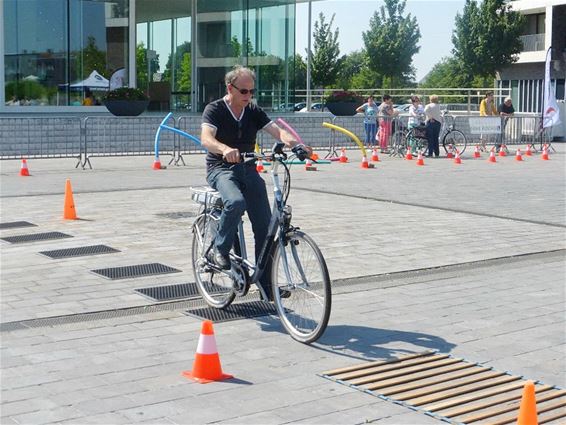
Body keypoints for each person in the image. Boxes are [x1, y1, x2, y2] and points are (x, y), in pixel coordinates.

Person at [200, 65, 312, 300]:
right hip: (220, 169)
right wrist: (225, 149)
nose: (249, 96)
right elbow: (206, 138)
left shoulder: (253, 110)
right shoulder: (215, 109)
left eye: (252, 91)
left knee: (265, 226)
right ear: (230, 88)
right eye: (244, 91)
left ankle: (266, 286)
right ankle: (218, 251)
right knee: (236, 201)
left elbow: (277, 131)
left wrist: (296, 145)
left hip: (247, 169)